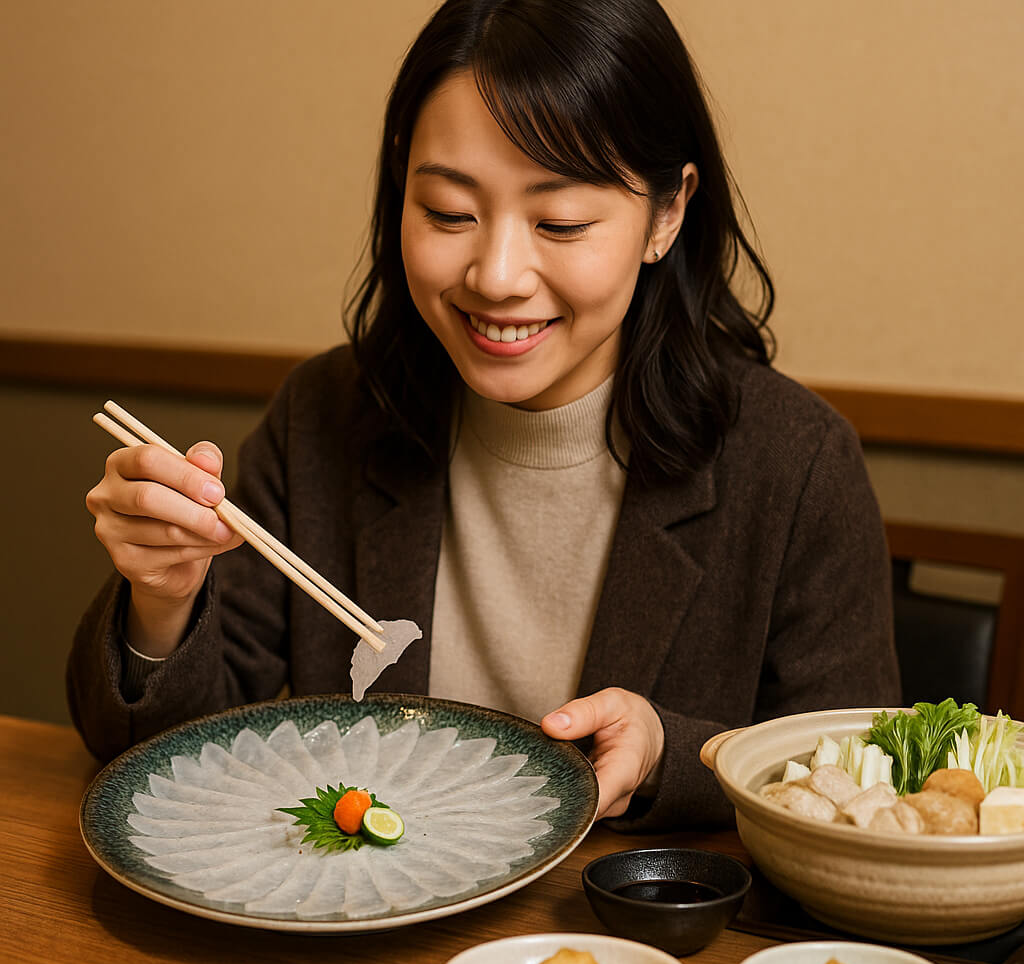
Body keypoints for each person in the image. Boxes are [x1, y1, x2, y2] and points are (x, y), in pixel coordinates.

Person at [68, 0, 899, 828]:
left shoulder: (795, 464)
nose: (497, 276)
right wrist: (163, 598)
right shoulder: (324, 417)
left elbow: (858, 785)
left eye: (561, 222)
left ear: (667, 213)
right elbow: (157, 760)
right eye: (448, 212)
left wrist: (667, 754)